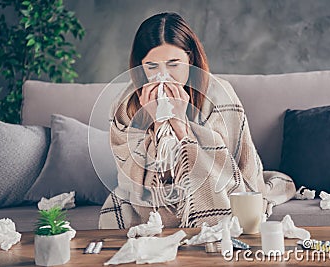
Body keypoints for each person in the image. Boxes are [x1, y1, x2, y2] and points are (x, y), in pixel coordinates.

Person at [99, 12, 296, 229]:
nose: (164, 76)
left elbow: (228, 167)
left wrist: (180, 124)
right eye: (152, 67)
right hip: (153, 201)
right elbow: (130, 175)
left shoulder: (219, 95)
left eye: (174, 64)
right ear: (140, 66)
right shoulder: (125, 104)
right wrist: (156, 122)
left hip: (212, 191)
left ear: (190, 59)